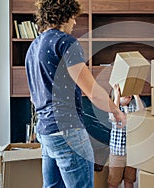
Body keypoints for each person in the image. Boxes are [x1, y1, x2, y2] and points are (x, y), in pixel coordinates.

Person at [25, 0, 126, 187]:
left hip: (46, 131)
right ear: (63, 15)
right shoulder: (65, 42)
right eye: (73, 17)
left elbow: (34, 96)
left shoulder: (33, 47)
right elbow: (93, 91)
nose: (75, 22)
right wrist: (116, 111)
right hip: (67, 131)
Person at [107, 84, 144, 188]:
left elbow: (141, 113)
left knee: (129, 180)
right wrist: (117, 95)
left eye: (129, 95)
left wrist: (136, 96)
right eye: (125, 95)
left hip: (131, 153)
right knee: (113, 182)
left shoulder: (131, 108)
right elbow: (114, 116)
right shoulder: (115, 110)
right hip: (117, 153)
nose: (128, 96)